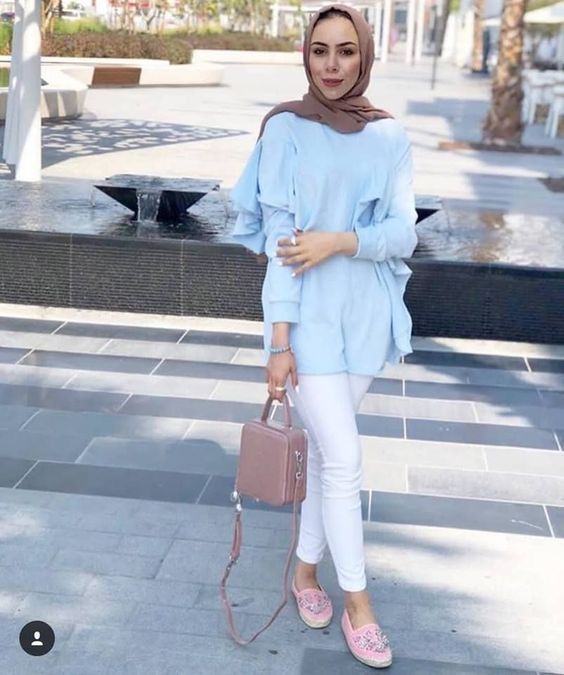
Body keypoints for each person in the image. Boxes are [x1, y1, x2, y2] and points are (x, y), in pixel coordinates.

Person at [230, 3, 417, 669]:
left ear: (364, 55)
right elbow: (282, 246)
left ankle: (305, 572)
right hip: (305, 321)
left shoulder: (389, 135)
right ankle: (358, 603)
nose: (332, 65)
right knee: (344, 457)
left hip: (364, 316)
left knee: (328, 459)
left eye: (346, 51)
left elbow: (404, 232)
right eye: (320, 50)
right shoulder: (285, 129)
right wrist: (279, 343)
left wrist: (340, 240)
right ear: (305, 55)